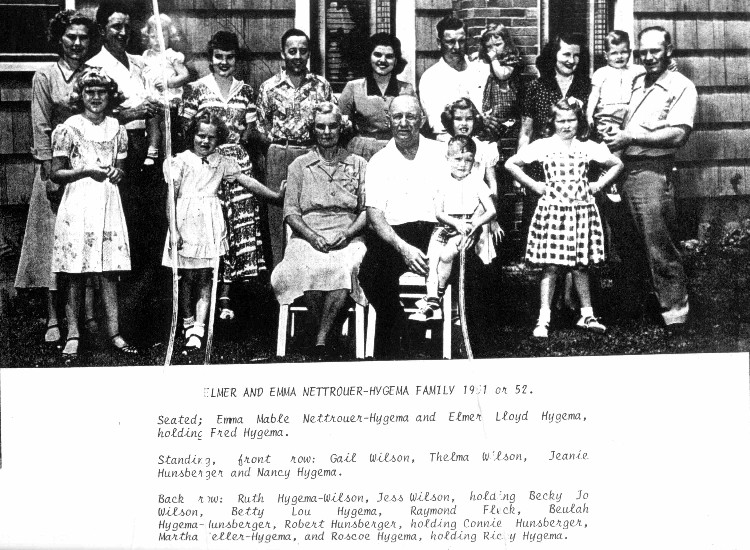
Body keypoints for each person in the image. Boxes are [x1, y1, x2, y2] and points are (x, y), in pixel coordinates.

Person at [603, 26, 697, 331]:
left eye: (654, 51)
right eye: (642, 52)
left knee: (659, 244)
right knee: (627, 244)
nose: (647, 57)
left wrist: (632, 135)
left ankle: (675, 312)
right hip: (622, 169)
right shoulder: (637, 82)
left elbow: (678, 134)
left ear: (668, 50)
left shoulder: (682, 86)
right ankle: (635, 307)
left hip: (653, 172)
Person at [14, 10, 99, 345]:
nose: (77, 43)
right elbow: (40, 125)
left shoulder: (95, 74)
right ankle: (52, 317)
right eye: (71, 36)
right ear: (59, 38)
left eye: (83, 37)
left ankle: (87, 316)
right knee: (52, 243)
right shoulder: (45, 76)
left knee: (85, 241)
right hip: (55, 169)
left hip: (88, 169)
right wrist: (51, 173)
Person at [505, 98, 623, 338]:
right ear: (553, 122)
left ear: (579, 122)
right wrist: (535, 186)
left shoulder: (588, 146)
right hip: (554, 211)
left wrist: (598, 185)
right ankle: (544, 318)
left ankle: (587, 315)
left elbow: (617, 164)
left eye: (571, 120)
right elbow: (511, 163)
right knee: (551, 266)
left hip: (580, 209)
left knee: (581, 265)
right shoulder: (544, 145)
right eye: (561, 120)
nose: (566, 125)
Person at [164, 114, 283, 352]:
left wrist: (275, 197)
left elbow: (246, 181)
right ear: (192, 135)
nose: (205, 141)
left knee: (207, 276)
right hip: (185, 223)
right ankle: (187, 323)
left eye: (211, 137)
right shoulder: (179, 162)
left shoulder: (222, 161)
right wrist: (174, 230)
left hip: (209, 223)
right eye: (201, 135)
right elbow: (171, 199)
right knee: (186, 277)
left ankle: (199, 326)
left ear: (219, 139)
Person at [87, 0, 165, 346]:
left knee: (149, 231)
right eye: (115, 26)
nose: (123, 32)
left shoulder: (138, 64)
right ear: (102, 30)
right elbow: (94, 111)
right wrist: (134, 108)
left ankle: (148, 324)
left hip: (145, 152)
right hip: (115, 153)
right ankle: (119, 327)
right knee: (123, 232)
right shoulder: (95, 67)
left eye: (126, 26)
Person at [49, 68, 135, 362]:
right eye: (89, 92)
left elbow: (121, 170)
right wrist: (85, 170)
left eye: (102, 92)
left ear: (110, 96)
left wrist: (115, 172)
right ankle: (73, 333)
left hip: (108, 202)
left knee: (109, 270)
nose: (96, 97)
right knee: (75, 271)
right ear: (80, 95)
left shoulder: (117, 128)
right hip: (78, 202)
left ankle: (114, 332)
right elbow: (56, 172)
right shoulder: (69, 127)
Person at [271, 103, 367, 357]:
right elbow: (290, 211)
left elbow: (367, 210)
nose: (326, 131)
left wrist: (346, 234)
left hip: (348, 235)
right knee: (306, 266)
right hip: (307, 235)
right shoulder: (299, 166)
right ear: (313, 129)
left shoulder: (358, 163)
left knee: (346, 267)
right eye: (320, 126)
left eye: (332, 126)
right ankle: (325, 335)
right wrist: (312, 237)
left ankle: (320, 337)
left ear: (341, 128)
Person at [180, 31, 263, 321]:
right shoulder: (196, 89)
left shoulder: (246, 91)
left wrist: (244, 134)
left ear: (236, 60)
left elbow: (251, 130)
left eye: (230, 57)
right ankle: (201, 298)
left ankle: (226, 296)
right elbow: (186, 130)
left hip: (237, 162)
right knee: (207, 228)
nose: (224, 62)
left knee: (234, 229)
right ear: (210, 59)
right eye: (219, 57)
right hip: (206, 163)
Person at [358, 95, 447, 358]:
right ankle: (405, 332)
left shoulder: (441, 152)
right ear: (389, 121)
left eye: (411, 116)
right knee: (372, 274)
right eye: (398, 117)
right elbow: (374, 215)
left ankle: (475, 349)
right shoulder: (379, 161)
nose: (404, 123)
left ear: (422, 120)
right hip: (396, 235)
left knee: (474, 267)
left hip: (437, 232)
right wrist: (403, 248)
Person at [256, 28, 335, 269]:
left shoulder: (321, 86)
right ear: (283, 54)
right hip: (280, 153)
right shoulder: (268, 88)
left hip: (312, 154)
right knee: (278, 215)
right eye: (292, 51)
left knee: (311, 212)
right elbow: (260, 128)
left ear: (309, 53)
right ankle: (281, 276)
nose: (298, 56)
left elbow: (331, 121)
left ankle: (313, 273)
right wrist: (277, 148)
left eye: (303, 51)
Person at [410, 136, 496, 322]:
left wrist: (474, 224)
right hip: (444, 226)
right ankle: (433, 300)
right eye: (457, 159)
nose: (463, 164)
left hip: (465, 228)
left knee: (447, 254)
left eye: (468, 160)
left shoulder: (476, 182)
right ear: (448, 159)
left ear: (474, 161)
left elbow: (491, 211)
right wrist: (455, 223)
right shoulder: (442, 182)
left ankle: (437, 295)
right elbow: (439, 213)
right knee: (431, 261)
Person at [338, 33, 415, 160]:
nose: (383, 60)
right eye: (377, 55)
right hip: (361, 153)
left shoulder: (407, 89)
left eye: (389, 56)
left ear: (396, 61)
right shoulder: (353, 87)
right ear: (369, 57)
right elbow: (340, 126)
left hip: (397, 151)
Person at [141, 13, 189, 166]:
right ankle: (153, 147)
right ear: (147, 36)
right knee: (152, 122)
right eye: (153, 36)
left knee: (165, 126)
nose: (157, 41)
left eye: (162, 36)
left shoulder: (171, 56)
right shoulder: (146, 56)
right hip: (153, 98)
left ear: (171, 36)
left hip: (168, 99)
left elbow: (184, 75)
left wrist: (169, 83)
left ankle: (165, 156)